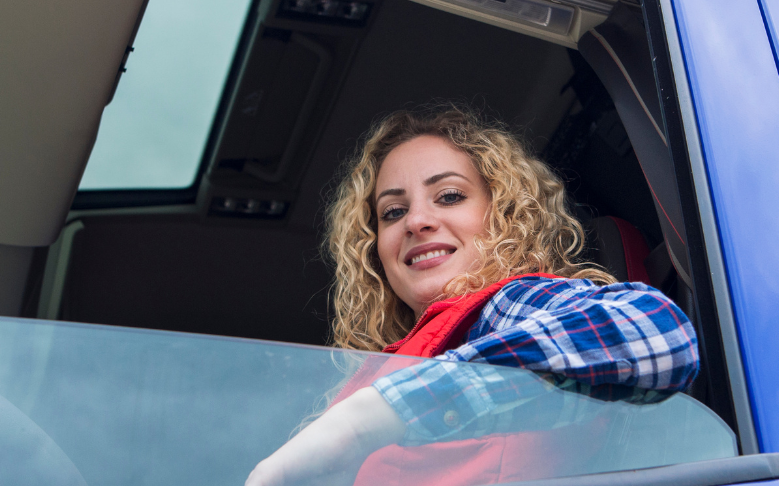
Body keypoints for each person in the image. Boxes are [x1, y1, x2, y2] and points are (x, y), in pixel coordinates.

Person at [246, 105, 700, 486]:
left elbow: (656, 331)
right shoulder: (384, 367)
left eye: (448, 196)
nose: (416, 221)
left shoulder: (508, 307)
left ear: (503, 215)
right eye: (393, 211)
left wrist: (370, 419)